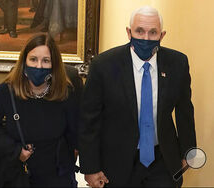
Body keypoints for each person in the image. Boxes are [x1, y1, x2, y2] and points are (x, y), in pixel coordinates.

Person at [79, 6, 196, 187]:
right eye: (139, 31)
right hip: (117, 162)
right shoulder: (104, 65)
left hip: (163, 161)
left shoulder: (177, 63)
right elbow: (89, 120)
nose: (146, 38)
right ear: (129, 32)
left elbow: (185, 111)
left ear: (162, 35)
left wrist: (188, 153)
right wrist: (90, 167)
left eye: (153, 32)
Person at [0, 33, 83, 187]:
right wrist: (15, 151)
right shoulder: (5, 92)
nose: (39, 66)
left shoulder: (65, 93)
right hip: (17, 175)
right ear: (24, 61)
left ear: (54, 64)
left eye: (46, 61)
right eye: (33, 59)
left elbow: (75, 133)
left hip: (56, 177)